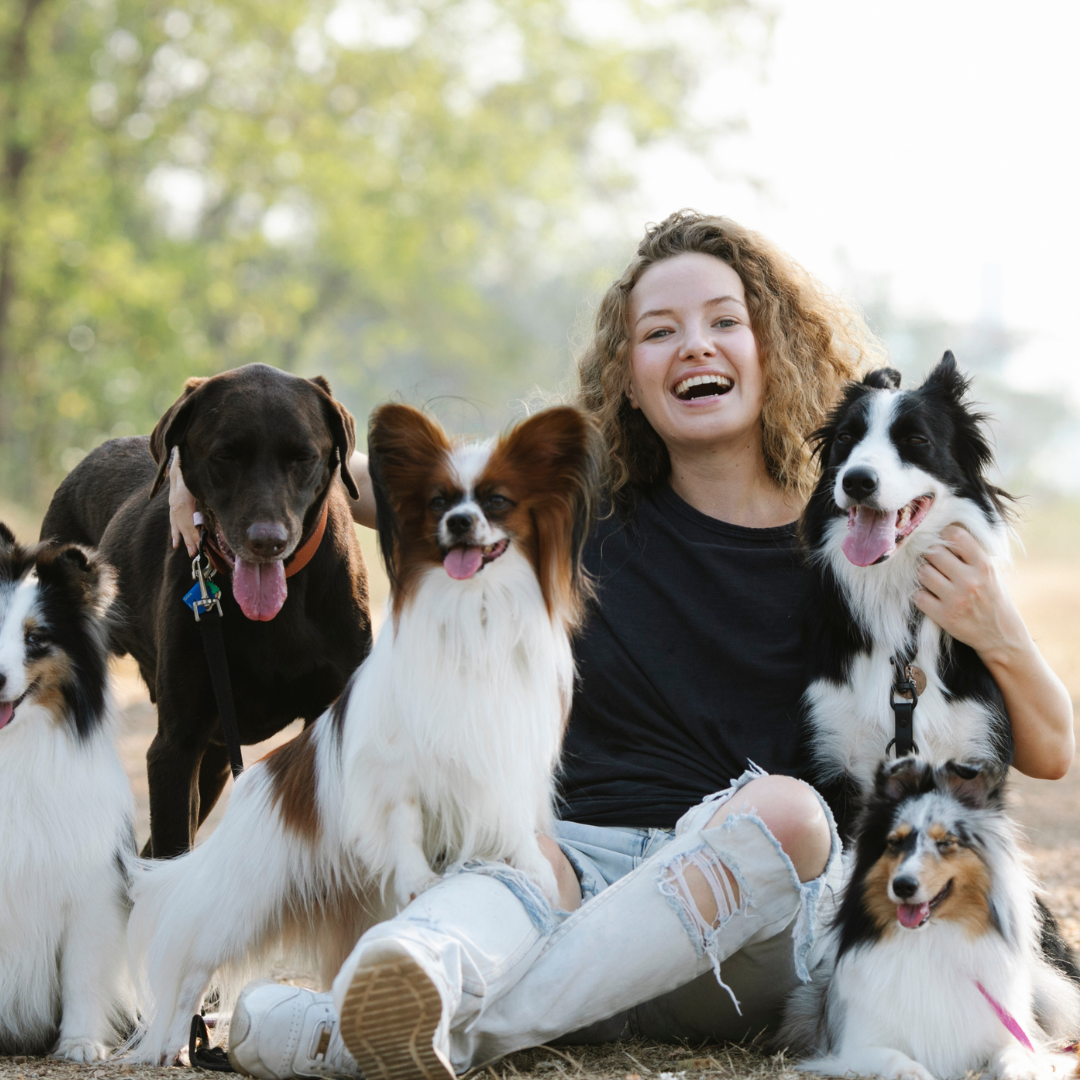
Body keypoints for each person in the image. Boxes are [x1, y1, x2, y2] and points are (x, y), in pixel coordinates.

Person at [168, 211, 1074, 1079]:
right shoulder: (577, 508)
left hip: (745, 915)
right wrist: (195, 487)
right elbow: (373, 480)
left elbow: (1048, 749)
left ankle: (353, 1035)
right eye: (659, 331)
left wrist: (997, 626)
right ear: (628, 372)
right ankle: (391, 1002)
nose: (694, 345)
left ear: (773, 347)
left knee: (789, 812)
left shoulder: (850, 542)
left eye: (725, 320)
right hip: (569, 873)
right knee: (505, 862)